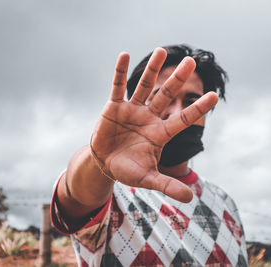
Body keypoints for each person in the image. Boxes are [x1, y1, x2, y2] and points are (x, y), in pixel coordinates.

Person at [51, 44, 248, 266]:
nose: (177, 112)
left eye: (192, 102)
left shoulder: (225, 202)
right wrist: (99, 161)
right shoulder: (111, 193)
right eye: (164, 99)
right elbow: (75, 196)